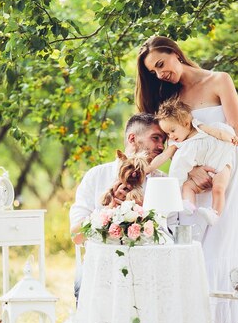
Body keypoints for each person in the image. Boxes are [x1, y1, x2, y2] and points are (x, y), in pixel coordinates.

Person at [135, 35, 238, 323]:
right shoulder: (171, 100)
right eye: (153, 72)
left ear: (175, 53)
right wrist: (191, 171)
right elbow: (171, 144)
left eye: (161, 64)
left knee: (221, 245)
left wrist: (211, 161)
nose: (160, 74)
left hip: (223, 168)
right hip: (190, 180)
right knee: (192, 248)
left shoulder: (219, 80)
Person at [69, 113, 167, 295]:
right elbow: (76, 236)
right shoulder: (96, 176)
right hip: (101, 273)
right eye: (156, 138)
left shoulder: (162, 181)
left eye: (164, 140)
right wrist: (108, 211)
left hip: (149, 273)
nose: (162, 146)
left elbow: (172, 237)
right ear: (132, 139)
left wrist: (145, 211)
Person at [147, 97, 238, 226]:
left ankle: (214, 214)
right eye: (167, 134)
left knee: (218, 189)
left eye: (172, 131)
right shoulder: (176, 143)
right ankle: (188, 205)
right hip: (202, 172)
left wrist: (229, 137)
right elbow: (163, 156)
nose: (171, 136)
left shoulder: (199, 126)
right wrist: (147, 168)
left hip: (220, 163)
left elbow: (217, 132)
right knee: (187, 186)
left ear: (185, 123)